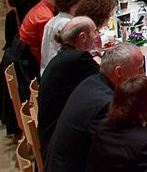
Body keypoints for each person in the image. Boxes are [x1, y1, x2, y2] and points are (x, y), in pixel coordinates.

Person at [40, 44, 147, 172]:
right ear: (119, 72)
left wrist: (142, 120)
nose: (143, 74)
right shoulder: (106, 105)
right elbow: (126, 157)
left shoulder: (92, 82)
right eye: (139, 68)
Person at [36, 17, 100, 154]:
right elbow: (107, 78)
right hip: (57, 144)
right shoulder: (78, 59)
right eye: (95, 32)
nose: (97, 35)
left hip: (50, 133)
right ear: (82, 37)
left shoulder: (65, 54)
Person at [19, 0, 74, 64]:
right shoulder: (45, 18)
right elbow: (48, 49)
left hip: (27, 53)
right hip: (34, 60)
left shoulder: (42, 5)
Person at [40, 0, 86, 71]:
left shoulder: (51, 21)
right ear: (74, 6)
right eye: (82, 2)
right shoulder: (70, 25)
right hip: (63, 72)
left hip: (47, 69)